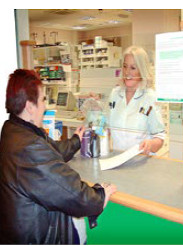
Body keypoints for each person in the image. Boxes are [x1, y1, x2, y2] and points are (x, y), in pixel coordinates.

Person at [0, 69, 117, 244]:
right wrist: (99, 196)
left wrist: (76, 141)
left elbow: (50, 152)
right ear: (30, 107)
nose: (45, 106)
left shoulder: (13, 130)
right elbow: (74, 195)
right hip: (37, 236)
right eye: (42, 100)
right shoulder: (29, 147)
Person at [109, 46, 165, 154]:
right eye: (125, 67)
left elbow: (159, 137)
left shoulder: (149, 97)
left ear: (142, 70)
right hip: (118, 160)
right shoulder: (115, 94)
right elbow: (105, 126)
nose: (127, 72)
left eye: (133, 68)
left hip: (142, 162)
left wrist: (150, 144)